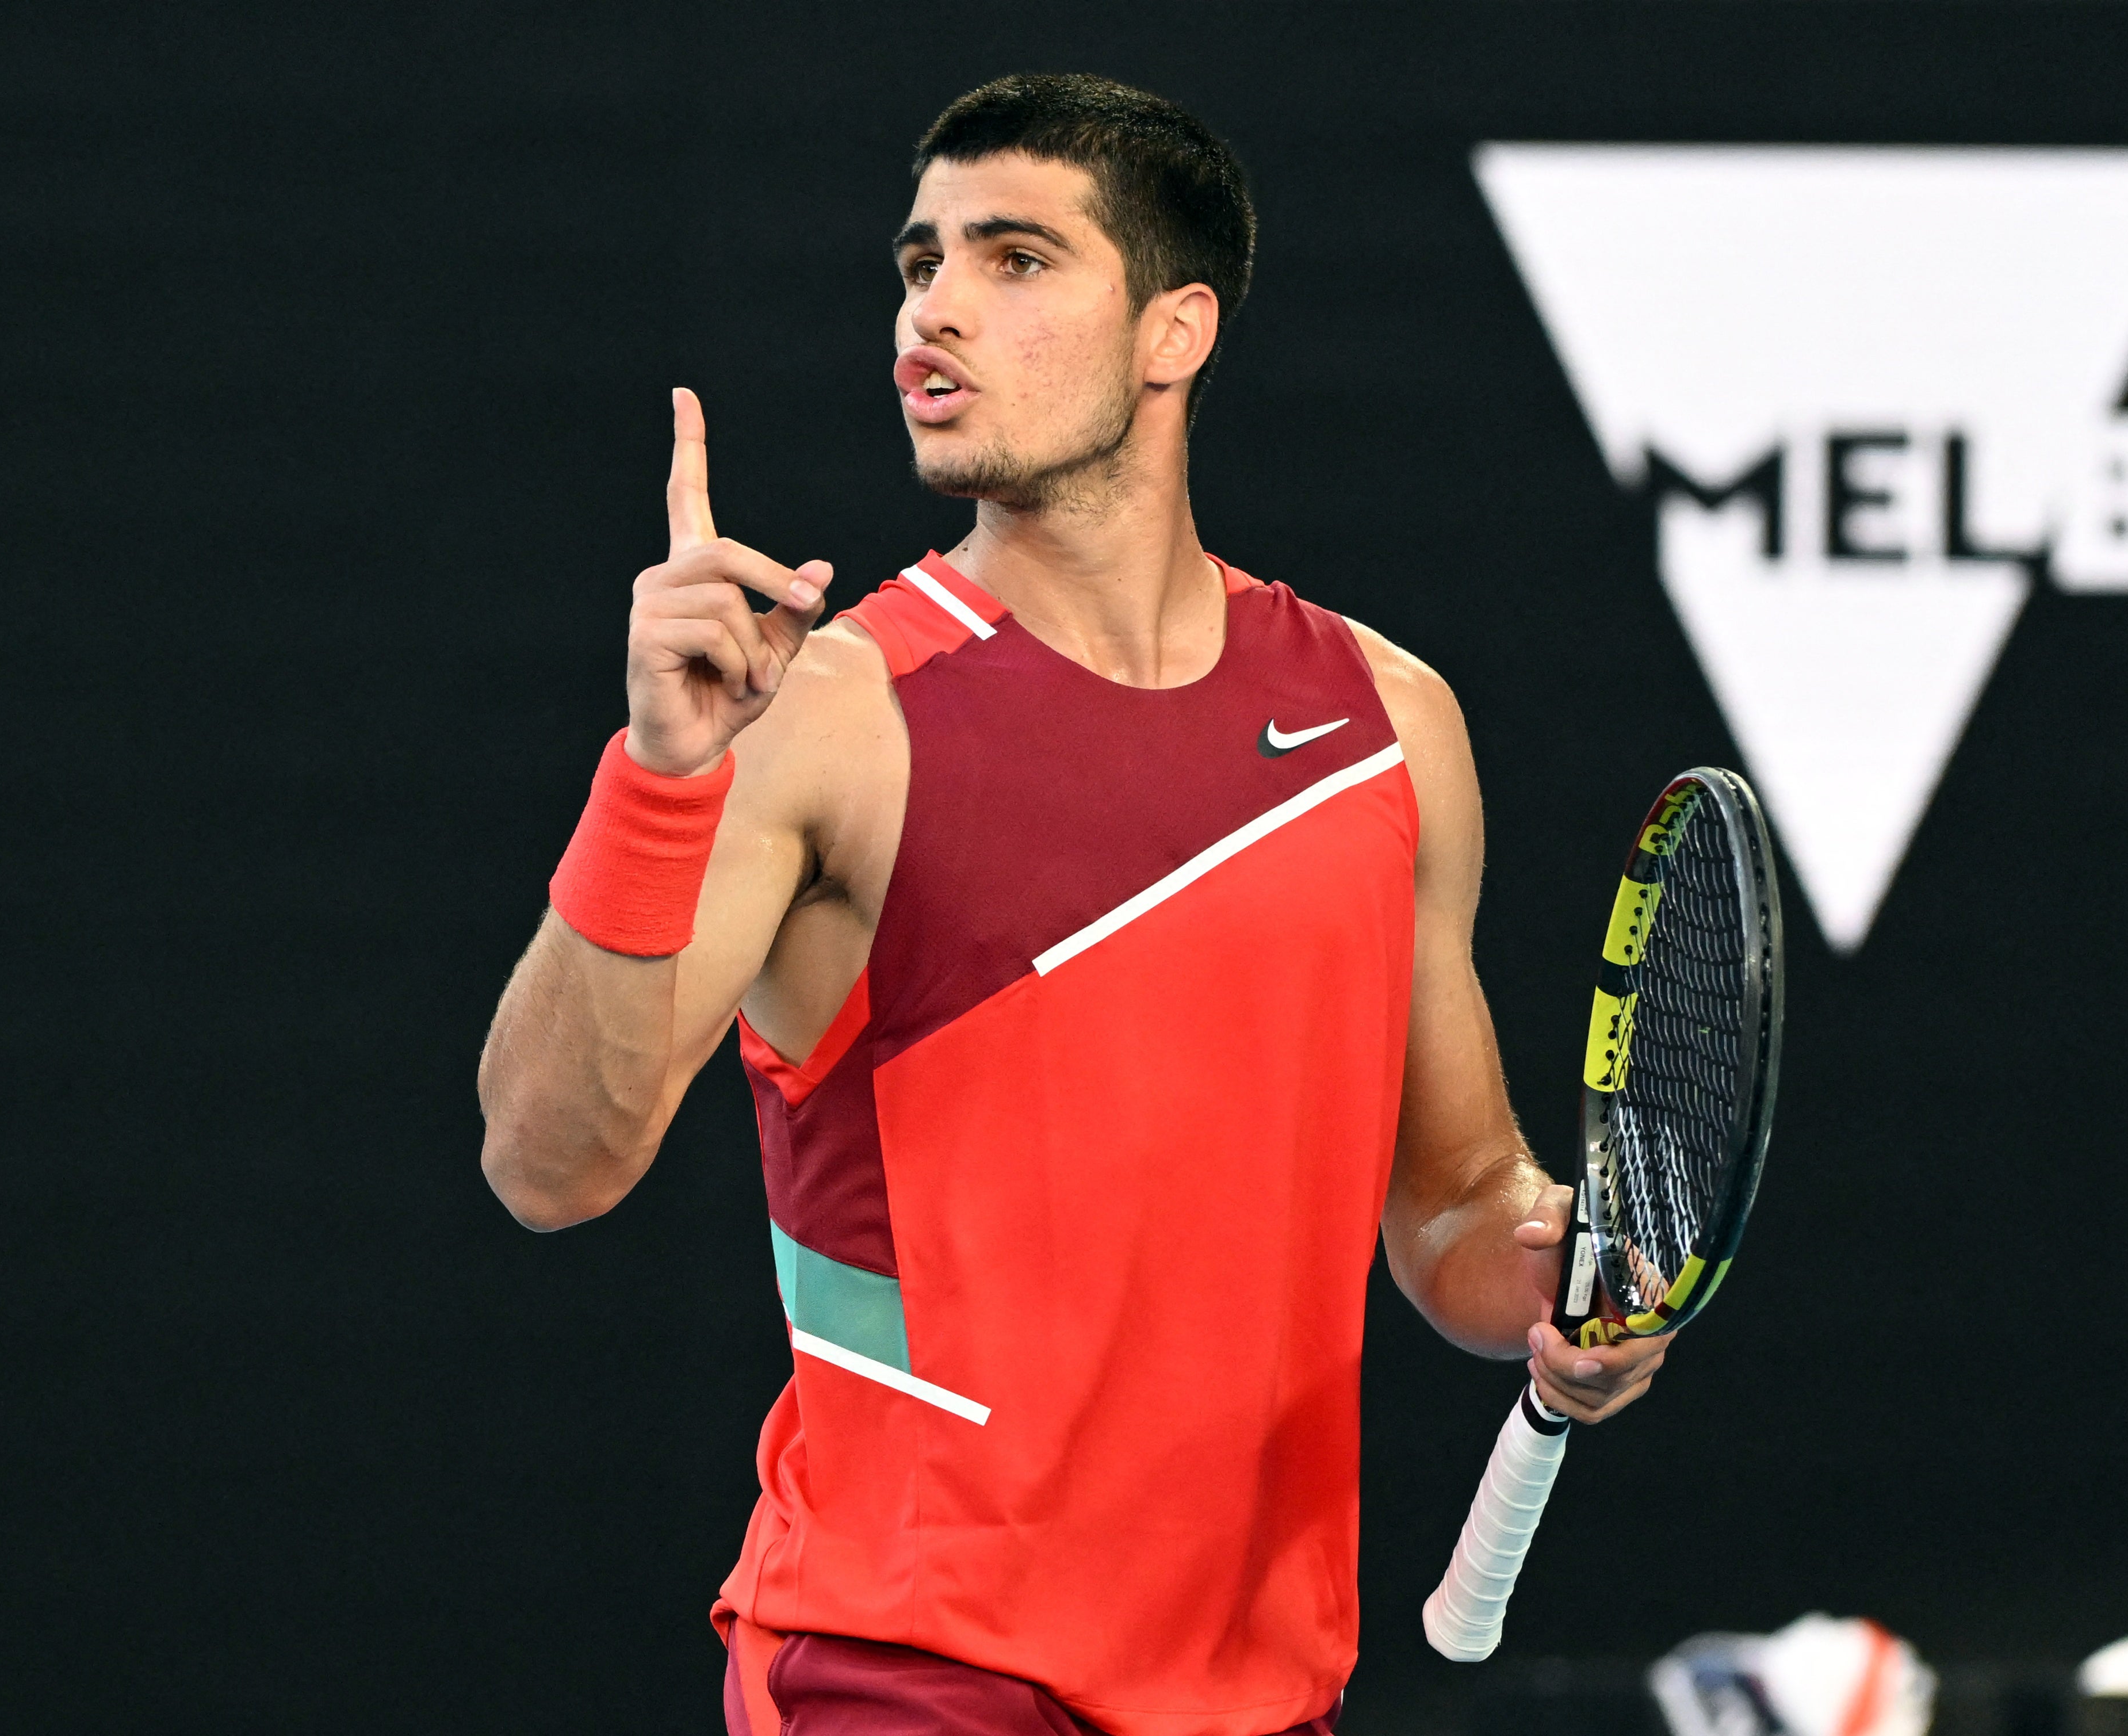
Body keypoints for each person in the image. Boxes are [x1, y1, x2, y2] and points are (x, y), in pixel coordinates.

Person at [476, 72, 1671, 1736]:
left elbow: (1457, 1196)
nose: (936, 310)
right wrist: (656, 778)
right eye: (918, 264)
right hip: (898, 1666)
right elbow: (550, 1162)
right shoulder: (823, 715)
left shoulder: (1385, 728)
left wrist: (1552, 1273)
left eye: (1016, 259)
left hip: (1252, 1689)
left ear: (1176, 330)